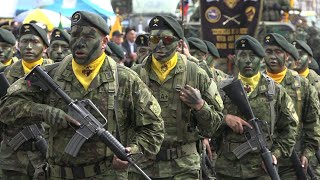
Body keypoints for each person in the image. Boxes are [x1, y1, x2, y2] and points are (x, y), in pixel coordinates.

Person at [0, 11, 165, 180]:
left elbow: (154, 127)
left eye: (88, 36)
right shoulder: (51, 74)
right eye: (75, 35)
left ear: (104, 42)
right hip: (59, 174)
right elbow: (7, 107)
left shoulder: (124, 79)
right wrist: (44, 111)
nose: (79, 43)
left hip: (106, 175)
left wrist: (135, 150)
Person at [130, 15, 224, 179]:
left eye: (166, 39)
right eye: (154, 39)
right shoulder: (134, 75)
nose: (159, 45)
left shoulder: (196, 74)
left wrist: (200, 106)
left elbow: (214, 127)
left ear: (179, 43)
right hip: (142, 166)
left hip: (183, 168)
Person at [214, 35, 299, 179]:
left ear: (261, 59)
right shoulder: (221, 89)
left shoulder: (275, 91)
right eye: (243, 55)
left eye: (253, 56)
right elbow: (205, 124)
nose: (248, 60)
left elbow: (290, 128)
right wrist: (225, 119)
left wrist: (275, 154)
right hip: (227, 170)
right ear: (235, 59)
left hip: (261, 170)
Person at [0, 23, 54, 179]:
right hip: (12, 158)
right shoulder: (6, 74)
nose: (29, 47)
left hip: (46, 155)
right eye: (24, 42)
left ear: (45, 47)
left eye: (35, 42)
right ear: (18, 45)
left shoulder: (56, 73)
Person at [264, 33, 320, 179]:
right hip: (261, 161)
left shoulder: (302, 85)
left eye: (278, 52)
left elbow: (312, 123)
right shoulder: (256, 83)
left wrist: (307, 153)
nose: (273, 57)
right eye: (269, 52)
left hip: (292, 159)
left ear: (287, 56)